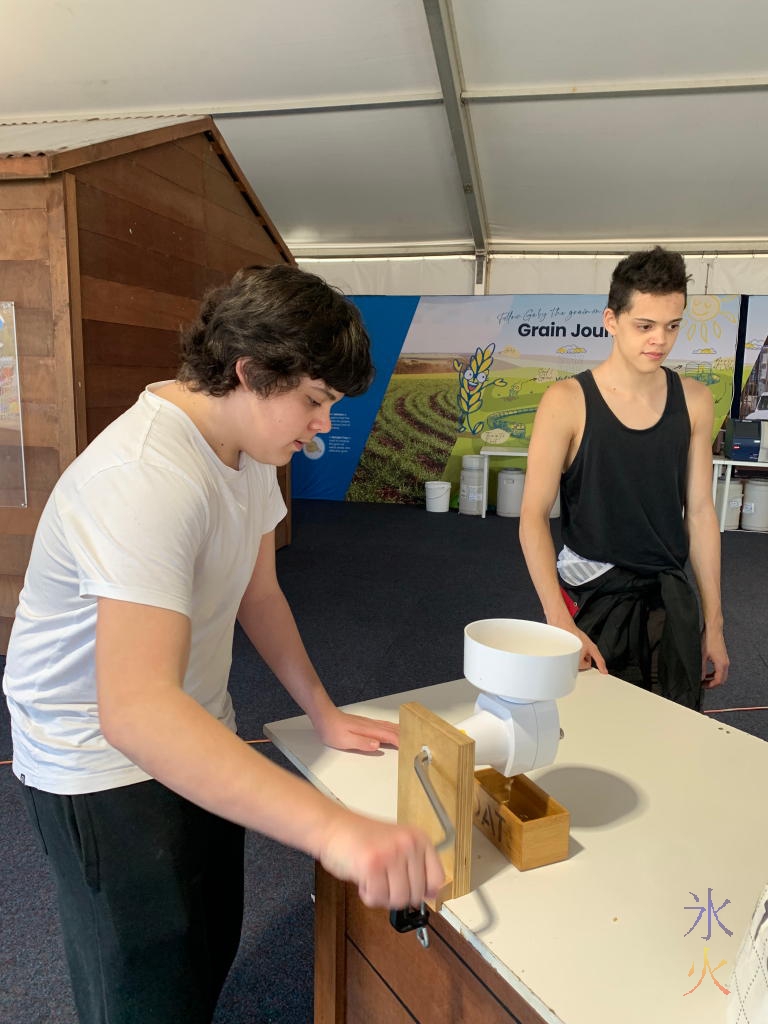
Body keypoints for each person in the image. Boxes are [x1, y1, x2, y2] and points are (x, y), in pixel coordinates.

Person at [2, 265, 444, 1024]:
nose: (324, 425)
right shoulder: (145, 478)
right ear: (248, 372)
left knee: (204, 946)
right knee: (144, 989)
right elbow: (134, 712)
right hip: (95, 761)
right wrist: (335, 829)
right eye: (313, 400)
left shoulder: (248, 454)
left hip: (196, 722)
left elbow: (257, 591)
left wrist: (324, 711)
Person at [519, 246, 729, 709]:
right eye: (645, 326)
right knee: (588, 730)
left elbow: (699, 511)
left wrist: (713, 622)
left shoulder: (694, 400)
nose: (660, 340)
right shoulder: (566, 400)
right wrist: (558, 617)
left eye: (673, 325)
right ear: (611, 320)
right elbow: (532, 517)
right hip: (591, 594)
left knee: (671, 729)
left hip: (668, 597)